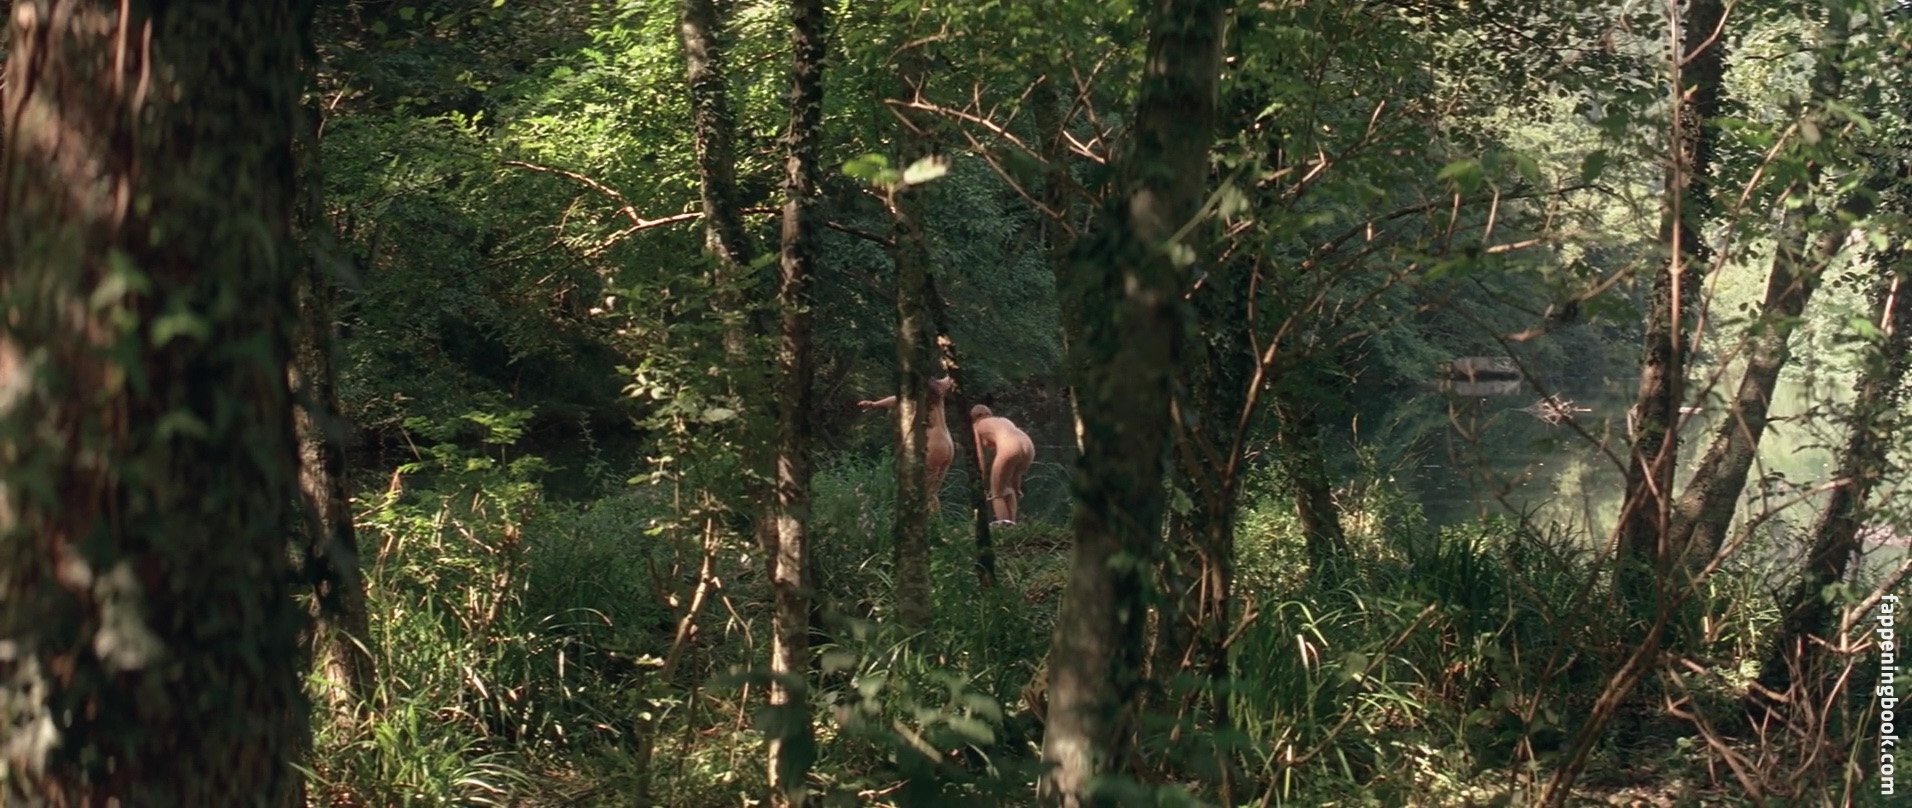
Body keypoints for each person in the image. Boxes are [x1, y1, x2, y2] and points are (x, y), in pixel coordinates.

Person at [857, 376, 956, 511]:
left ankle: (921, 521)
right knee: (932, 493)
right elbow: (951, 378)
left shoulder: (917, 395)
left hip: (933, 446)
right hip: (947, 444)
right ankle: (936, 522)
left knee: (922, 494)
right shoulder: (937, 387)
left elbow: (896, 400)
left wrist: (875, 404)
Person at [969, 405, 1034, 525]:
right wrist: (1017, 485)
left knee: (997, 494)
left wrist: (981, 477)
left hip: (1009, 446)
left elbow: (979, 455)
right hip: (1028, 446)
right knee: (1008, 487)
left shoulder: (978, 425)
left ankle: (1004, 529)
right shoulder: (1003, 420)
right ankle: (1012, 524)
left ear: (974, 418)